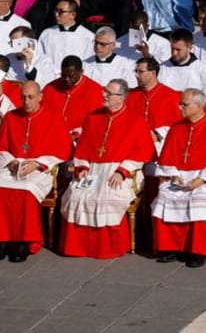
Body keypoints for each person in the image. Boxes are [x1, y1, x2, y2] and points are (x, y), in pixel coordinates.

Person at [60, 79, 155, 258]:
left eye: (108, 93)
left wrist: (123, 171)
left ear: (121, 98)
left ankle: (107, 248)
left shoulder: (135, 121)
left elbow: (143, 151)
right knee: (76, 195)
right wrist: (82, 167)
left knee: (107, 197)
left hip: (118, 171)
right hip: (93, 170)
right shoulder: (93, 117)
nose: (103, 95)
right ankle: (78, 247)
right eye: (104, 91)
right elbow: (83, 147)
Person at [0, 81, 72, 262]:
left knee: (26, 190)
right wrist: (11, 161)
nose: (26, 102)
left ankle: (24, 242)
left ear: (40, 97)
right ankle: (1, 240)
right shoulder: (11, 117)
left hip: (39, 170)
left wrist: (38, 163)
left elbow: (62, 151)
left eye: (31, 97)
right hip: (13, 166)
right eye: (23, 97)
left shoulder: (53, 118)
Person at [152, 88, 206, 268]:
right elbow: (166, 156)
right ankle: (170, 248)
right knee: (164, 196)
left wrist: (200, 180)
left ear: (198, 106)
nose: (180, 107)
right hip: (178, 176)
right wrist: (173, 174)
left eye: (184, 104)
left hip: (202, 177)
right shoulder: (177, 127)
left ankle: (197, 251)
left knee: (200, 202)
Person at [42, 56, 106, 140]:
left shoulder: (95, 91)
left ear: (81, 72)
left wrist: (76, 135)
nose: (66, 79)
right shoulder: (51, 87)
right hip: (49, 136)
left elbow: (96, 121)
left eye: (70, 76)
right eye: (63, 75)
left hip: (79, 140)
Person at [37, 0, 94, 67]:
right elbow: (40, 58)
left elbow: (89, 63)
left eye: (60, 11)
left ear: (73, 14)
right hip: (51, 76)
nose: (56, 14)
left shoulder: (87, 36)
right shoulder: (47, 34)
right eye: (56, 10)